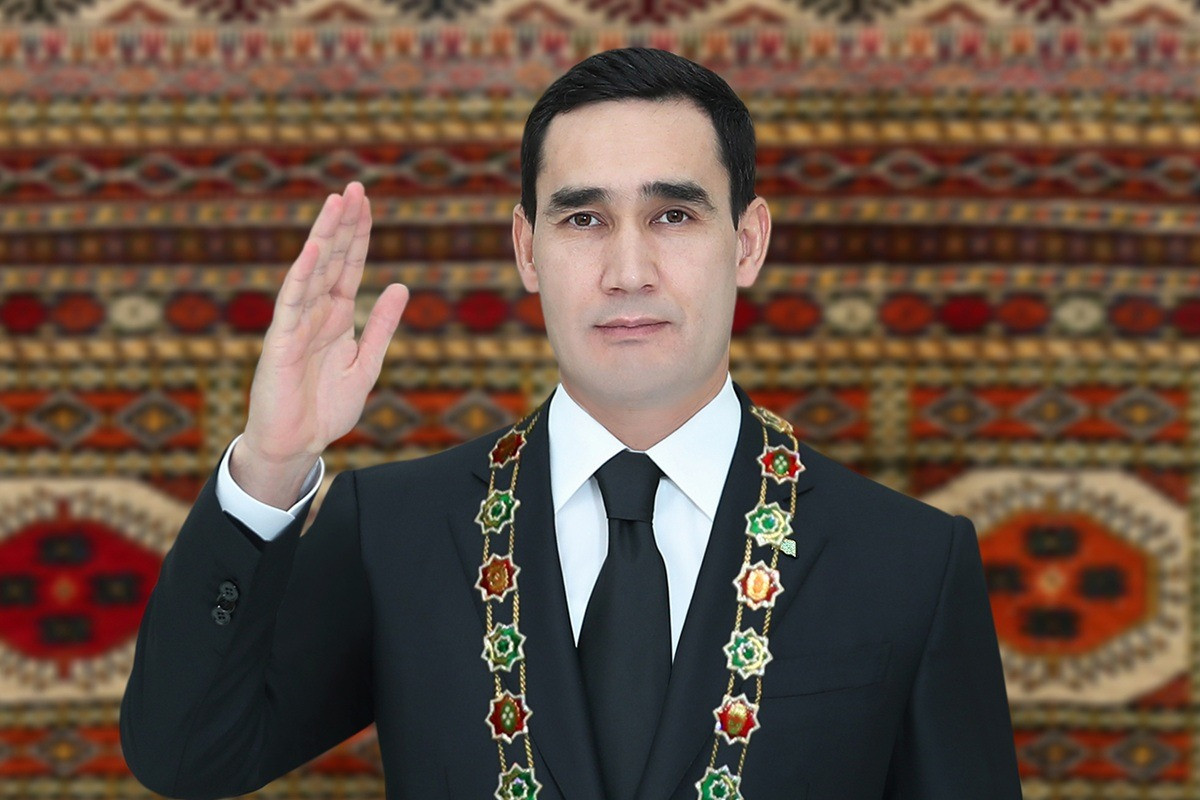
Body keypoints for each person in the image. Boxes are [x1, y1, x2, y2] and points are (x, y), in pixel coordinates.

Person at [120, 47, 1022, 800]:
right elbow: (186, 756)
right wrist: (272, 462)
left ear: (747, 242)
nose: (628, 270)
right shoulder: (392, 530)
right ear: (527, 249)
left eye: (673, 215)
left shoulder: (909, 560)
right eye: (584, 218)